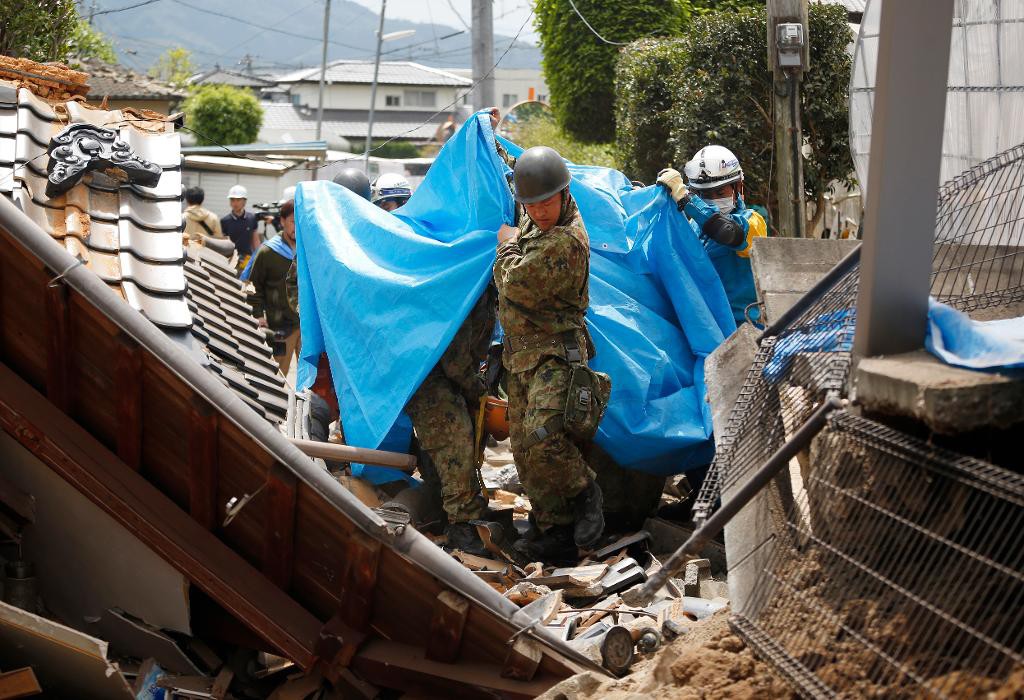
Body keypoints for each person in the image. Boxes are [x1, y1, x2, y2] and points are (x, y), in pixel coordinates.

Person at [493, 144, 606, 564]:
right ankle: (554, 531)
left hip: (555, 354)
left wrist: (505, 244)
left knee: (543, 439)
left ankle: (585, 489)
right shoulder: (539, 213)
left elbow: (515, 281)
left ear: (564, 193)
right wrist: (496, 145)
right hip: (521, 356)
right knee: (522, 448)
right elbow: (524, 182)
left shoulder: (566, 240)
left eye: (546, 202)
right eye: (531, 204)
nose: (538, 212)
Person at [657, 145, 768, 326]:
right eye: (703, 194)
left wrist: (686, 198)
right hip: (702, 328)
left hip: (743, 327)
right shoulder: (693, 227)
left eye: (720, 192)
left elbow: (727, 232)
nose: (711, 199)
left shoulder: (755, 220)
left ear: (738, 186)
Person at [245, 199, 300, 374]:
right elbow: (254, 286)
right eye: (293, 222)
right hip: (280, 327)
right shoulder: (268, 252)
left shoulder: (308, 252)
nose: (297, 227)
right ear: (282, 221)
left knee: (313, 379)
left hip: (306, 326)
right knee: (277, 376)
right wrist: (258, 315)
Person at [221, 184, 261, 274]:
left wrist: (259, 258)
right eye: (232, 200)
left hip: (247, 259)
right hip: (230, 260)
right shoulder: (225, 221)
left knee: (246, 284)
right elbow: (223, 243)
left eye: (238, 200)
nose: (235, 203)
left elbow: (255, 241)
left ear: (244, 201)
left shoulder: (252, 218)